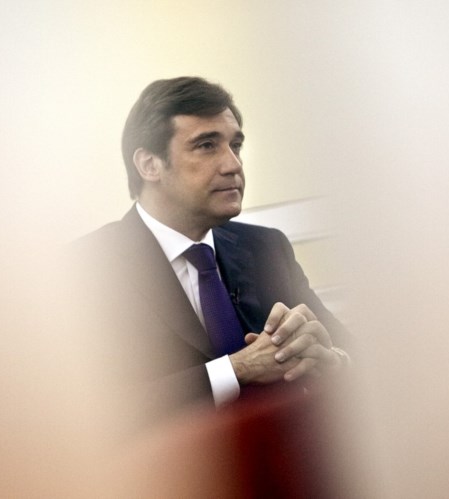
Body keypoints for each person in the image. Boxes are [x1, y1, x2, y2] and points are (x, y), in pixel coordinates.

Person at [76, 76, 350, 426]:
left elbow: (352, 355)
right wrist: (236, 370)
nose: (233, 164)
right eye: (206, 145)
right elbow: (96, 411)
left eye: (235, 145)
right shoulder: (88, 269)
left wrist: (332, 359)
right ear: (149, 164)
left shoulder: (266, 248)